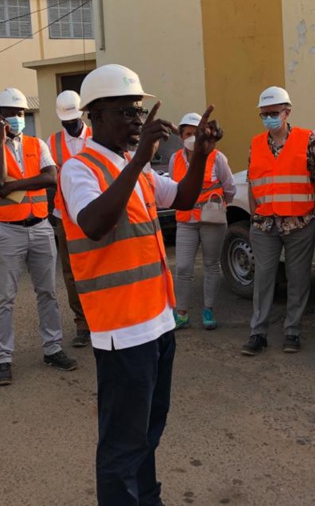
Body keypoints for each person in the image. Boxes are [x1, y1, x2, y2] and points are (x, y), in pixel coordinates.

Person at [60, 64, 223, 506]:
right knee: (122, 443)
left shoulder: (142, 173)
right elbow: (93, 224)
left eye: (138, 110)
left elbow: (185, 198)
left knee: (148, 432)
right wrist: (136, 161)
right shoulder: (79, 169)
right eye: (124, 112)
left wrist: (203, 154)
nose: (136, 119)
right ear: (94, 116)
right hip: (121, 331)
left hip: (156, 323)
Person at [0, 87, 77, 386]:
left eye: (20, 113)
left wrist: (14, 185)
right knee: (5, 297)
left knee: (47, 292)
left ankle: (53, 348)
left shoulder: (38, 144)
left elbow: (50, 177)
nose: (16, 118)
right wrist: (0, 144)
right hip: (9, 232)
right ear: (0, 117)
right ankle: (3, 359)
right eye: (10, 113)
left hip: (42, 228)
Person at [242, 87, 315, 355]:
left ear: (287, 112)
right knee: (264, 278)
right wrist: (255, 214)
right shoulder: (256, 143)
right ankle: (258, 333)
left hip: (300, 224)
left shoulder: (306, 138)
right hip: (265, 225)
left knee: (298, 278)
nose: (268, 118)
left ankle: (292, 331)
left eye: (273, 113)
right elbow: (252, 181)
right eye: (264, 114)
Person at [169, 112, 235, 330]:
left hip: (211, 220)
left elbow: (229, 188)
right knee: (183, 268)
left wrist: (216, 207)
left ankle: (208, 309)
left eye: (194, 133)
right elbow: (174, 187)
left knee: (211, 265)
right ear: (180, 136)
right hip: (185, 220)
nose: (191, 137)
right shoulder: (175, 159)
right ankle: (182, 313)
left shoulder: (216, 157)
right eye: (187, 133)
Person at [48, 90, 93, 347]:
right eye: (65, 120)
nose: (69, 124)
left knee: (99, 265)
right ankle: (82, 323)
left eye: (73, 118)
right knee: (72, 271)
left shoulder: (97, 137)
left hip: (96, 212)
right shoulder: (52, 142)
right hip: (64, 216)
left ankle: (102, 317)